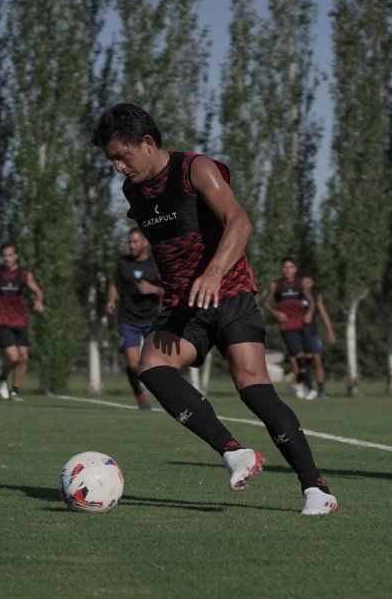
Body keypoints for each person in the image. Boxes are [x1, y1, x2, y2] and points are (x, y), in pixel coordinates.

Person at [92, 102, 338, 515]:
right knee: (150, 366)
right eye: (112, 160)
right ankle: (233, 451)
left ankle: (316, 488)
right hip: (182, 305)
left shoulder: (196, 169)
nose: (118, 167)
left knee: (253, 388)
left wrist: (213, 272)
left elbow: (240, 222)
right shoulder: (132, 191)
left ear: (147, 143)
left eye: (122, 156)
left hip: (230, 292)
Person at [106, 228, 163, 410]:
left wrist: (154, 290)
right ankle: (139, 396)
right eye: (130, 242)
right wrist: (110, 300)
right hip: (128, 319)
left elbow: (169, 289)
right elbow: (115, 284)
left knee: (154, 362)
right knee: (132, 363)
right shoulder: (123, 262)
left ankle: (163, 394)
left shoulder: (156, 263)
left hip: (152, 319)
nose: (131, 245)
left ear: (145, 242)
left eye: (135, 242)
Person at [0, 242, 44, 401]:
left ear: (16, 256)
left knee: (24, 357)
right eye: (4, 256)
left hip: (19, 319)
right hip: (1, 319)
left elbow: (37, 291)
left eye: (10, 255)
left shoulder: (24, 274)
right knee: (14, 357)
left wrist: (39, 301)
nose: (7, 259)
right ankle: (2, 377)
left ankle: (14, 390)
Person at [264, 258, 317, 400]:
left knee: (309, 357)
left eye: (291, 267)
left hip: (302, 324)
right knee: (299, 357)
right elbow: (266, 303)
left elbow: (311, 301)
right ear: (282, 269)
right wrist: (276, 313)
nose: (288, 270)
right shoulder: (275, 284)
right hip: (287, 326)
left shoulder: (301, 284)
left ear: (295, 269)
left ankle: (299, 381)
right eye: (285, 267)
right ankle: (311, 389)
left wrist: (309, 313)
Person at [303, 276, 336, 400]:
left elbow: (323, 313)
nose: (306, 284)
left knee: (317, 359)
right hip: (299, 333)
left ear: (312, 283)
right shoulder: (296, 294)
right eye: (304, 281)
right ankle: (307, 389)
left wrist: (329, 330)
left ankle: (322, 391)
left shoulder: (316, 295)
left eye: (308, 281)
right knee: (303, 361)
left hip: (312, 333)